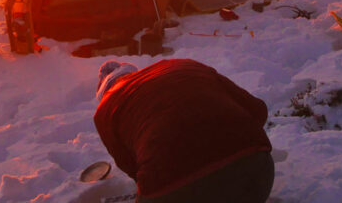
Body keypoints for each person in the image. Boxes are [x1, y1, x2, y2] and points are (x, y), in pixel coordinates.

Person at [93, 59, 274, 203]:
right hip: (256, 176)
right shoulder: (184, 65)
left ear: (104, 93)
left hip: (174, 192)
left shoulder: (105, 111)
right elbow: (258, 111)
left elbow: (132, 168)